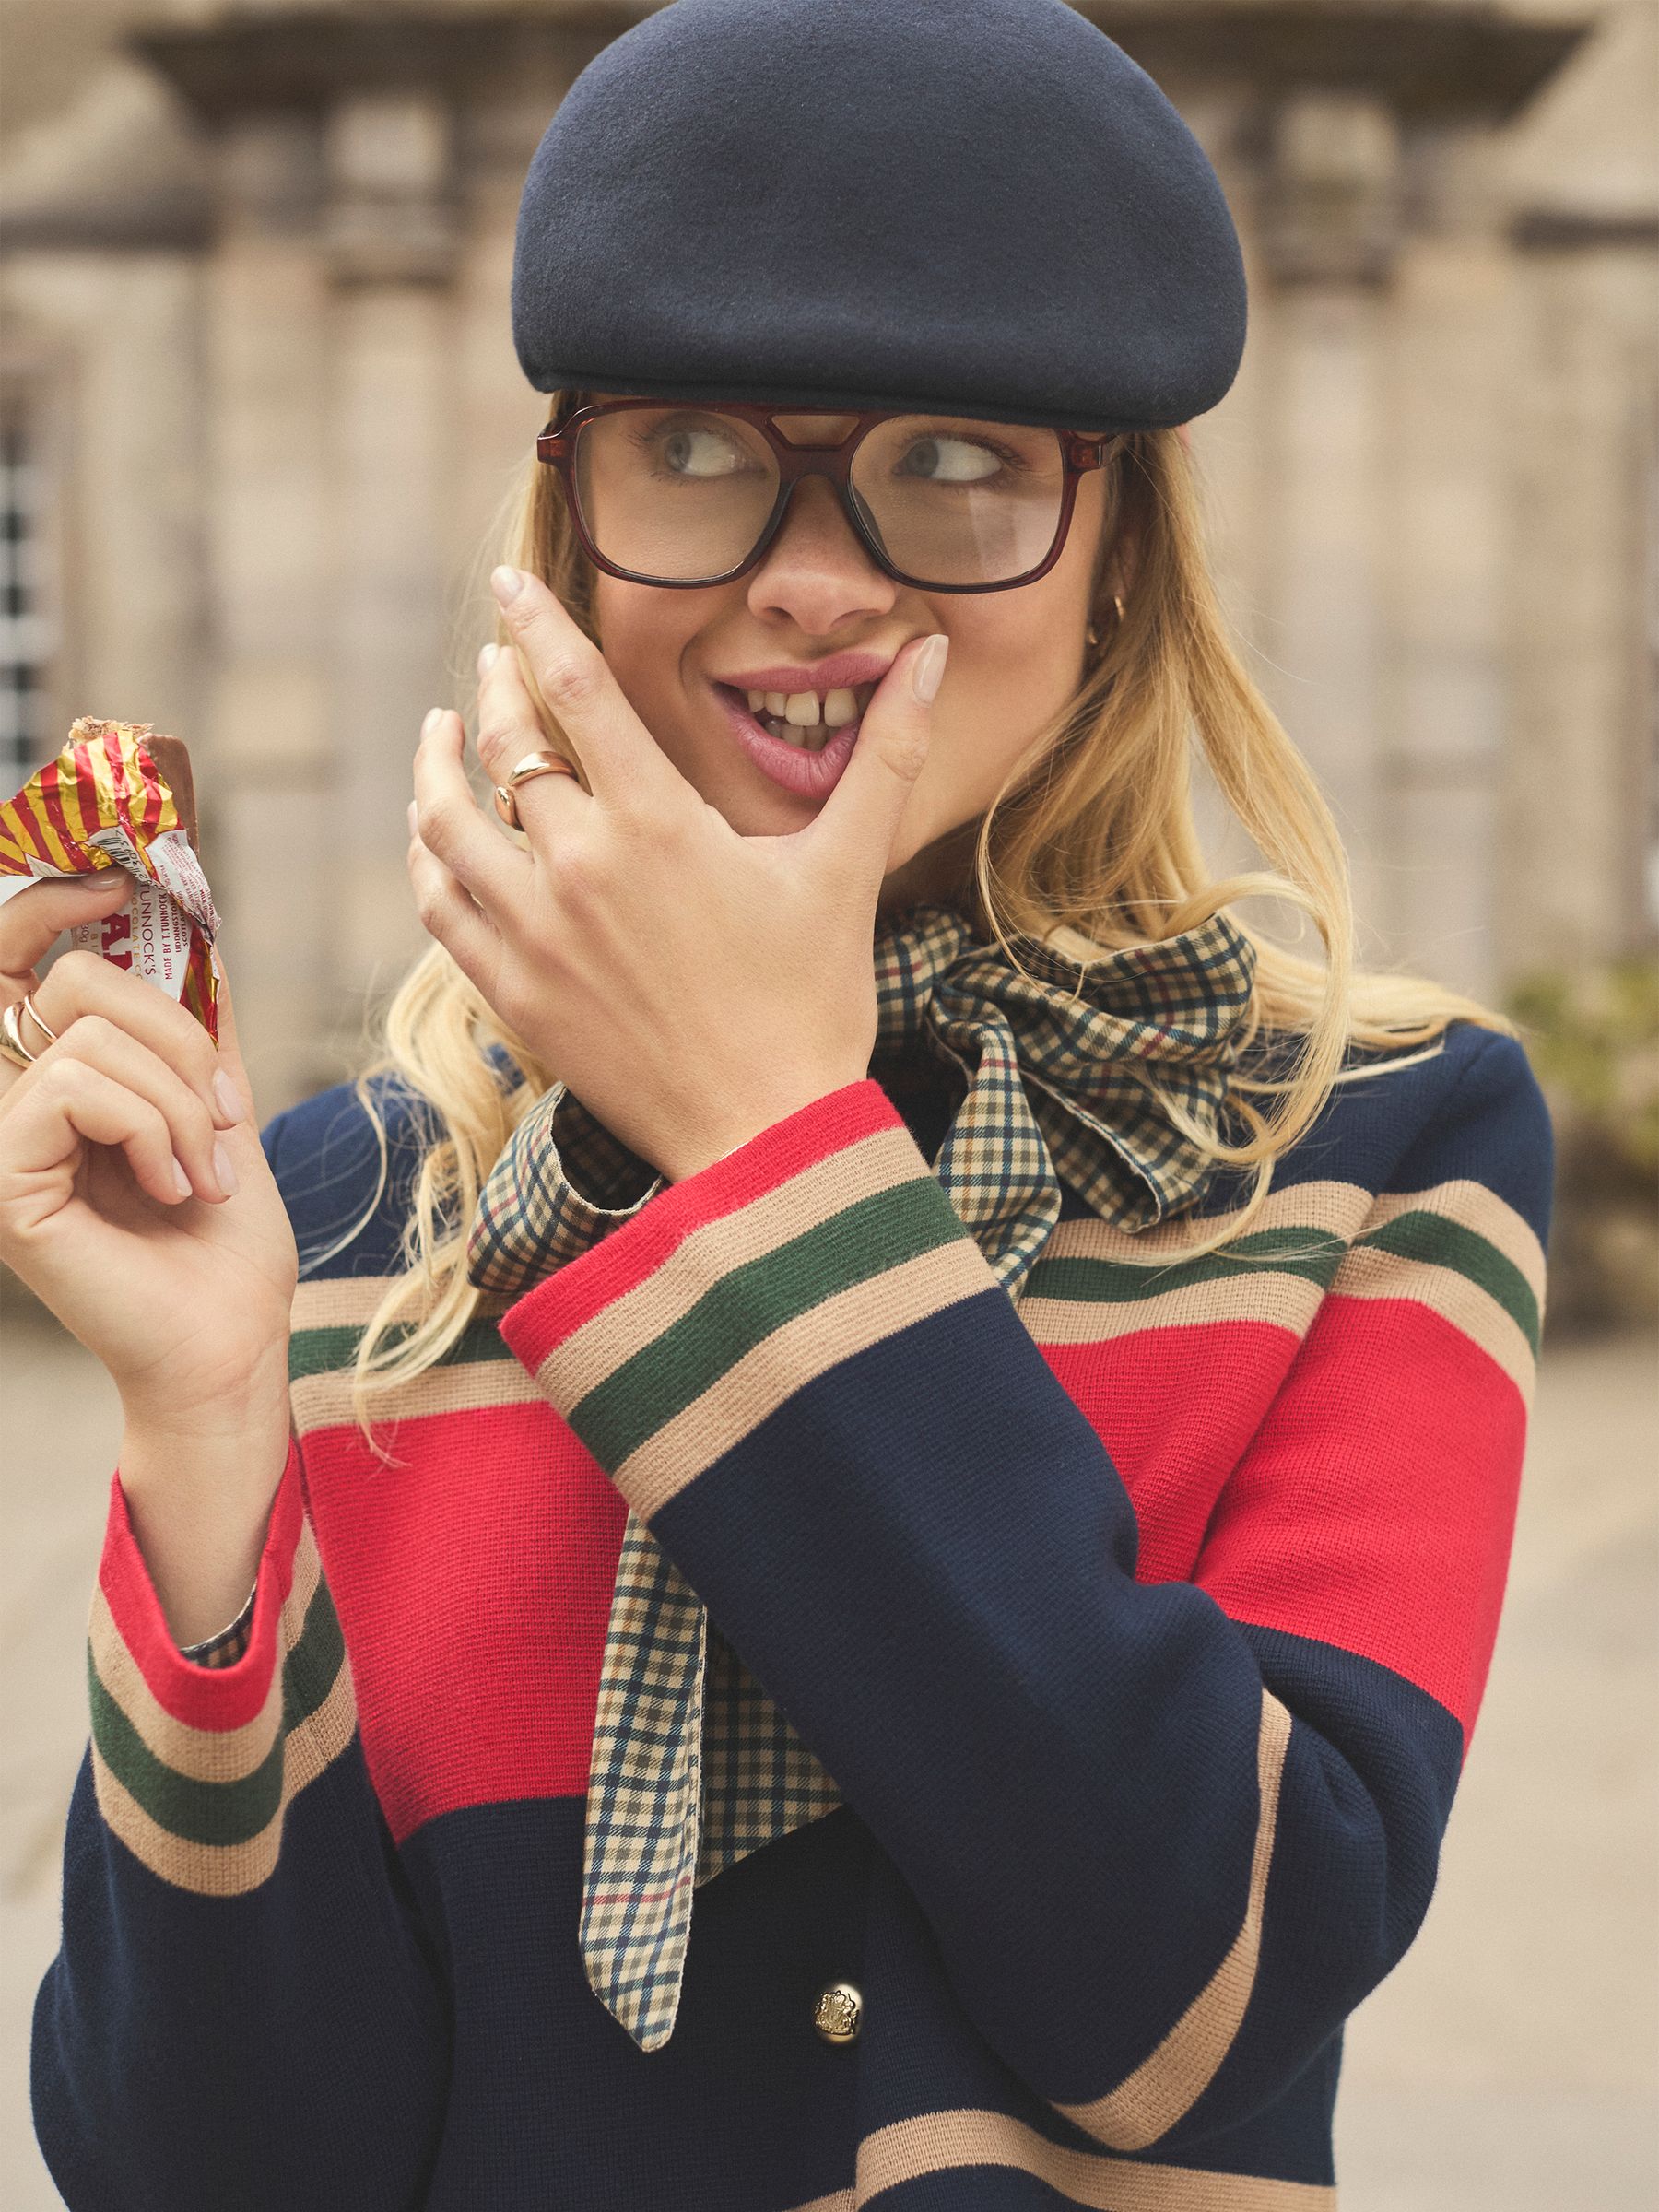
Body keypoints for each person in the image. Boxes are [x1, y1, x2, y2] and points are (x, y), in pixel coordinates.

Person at [9, 2, 1553, 2206]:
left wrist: (764, 1141)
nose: (814, 576)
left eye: (957, 461)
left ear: (1116, 544)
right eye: (698, 446)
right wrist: (203, 1427)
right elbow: (212, 2174)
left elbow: (1194, 1994)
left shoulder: (1375, 1146)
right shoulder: (337, 1212)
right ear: (573, 525)